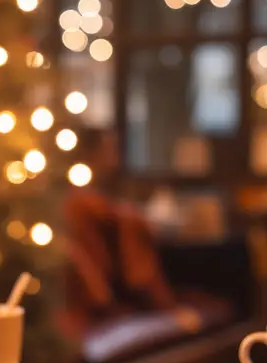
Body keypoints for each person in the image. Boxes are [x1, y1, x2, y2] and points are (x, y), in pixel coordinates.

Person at [63, 128, 185, 335]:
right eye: (111, 149)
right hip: (100, 307)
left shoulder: (96, 196)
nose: (116, 157)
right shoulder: (79, 202)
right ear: (94, 153)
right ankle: (167, 308)